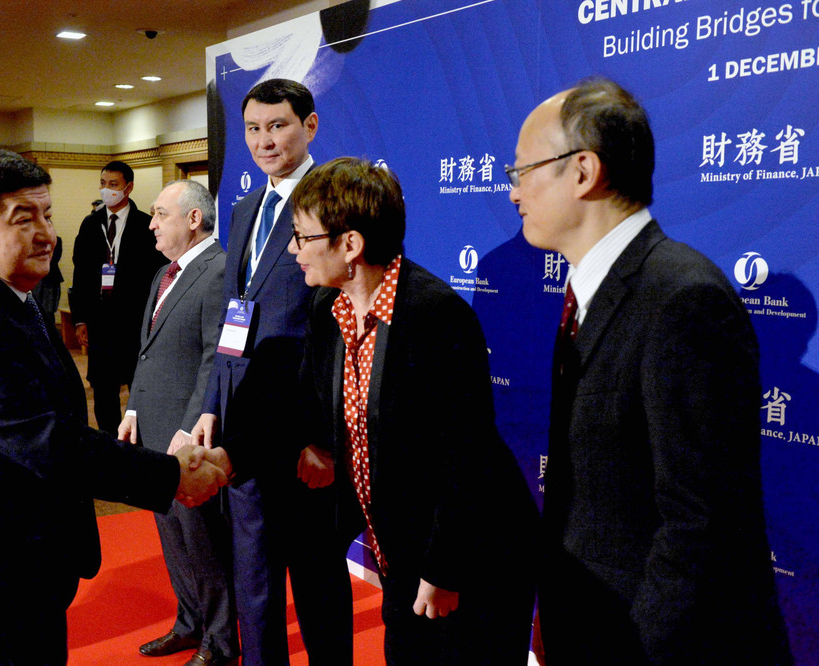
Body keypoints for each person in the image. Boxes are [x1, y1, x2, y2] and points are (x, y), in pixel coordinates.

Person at [0, 148, 230, 665]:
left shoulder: (7, 296)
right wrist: (172, 475)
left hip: (19, 556)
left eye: (47, 214)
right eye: (25, 219)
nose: (47, 234)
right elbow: (45, 440)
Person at [509, 77, 790, 664]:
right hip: (588, 623)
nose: (513, 191)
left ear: (583, 171)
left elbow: (698, 528)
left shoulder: (684, 299)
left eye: (523, 170)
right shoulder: (590, 293)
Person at [291, 157, 538, 664]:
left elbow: (466, 454)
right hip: (399, 551)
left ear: (350, 245)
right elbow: (327, 417)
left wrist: (445, 569)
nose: (294, 250)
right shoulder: (328, 308)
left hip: (470, 555)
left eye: (303, 237)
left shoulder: (435, 314)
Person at [190, 79, 353, 665]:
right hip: (243, 426)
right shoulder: (242, 210)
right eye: (253, 129)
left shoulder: (336, 202)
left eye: (277, 126)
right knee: (253, 578)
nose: (264, 141)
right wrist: (212, 404)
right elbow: (229, 318)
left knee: (316, 579)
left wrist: (323, 439)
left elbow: (342, 334)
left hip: (303, 433)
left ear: (309, 126)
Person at [118, 180, 237, 666]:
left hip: (188, 438)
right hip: (153, 428)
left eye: (160, 214)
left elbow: (215, 358)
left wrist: (189, 429)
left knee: (203, 544)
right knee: (172, 538)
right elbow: (148, 352)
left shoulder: (220, 270)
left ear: (193, 219)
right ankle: (190, 624)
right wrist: (133, 409)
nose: (151, 224)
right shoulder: (163, 273)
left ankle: (220, 642)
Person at [70, 160, 167, 433]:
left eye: (113, 184)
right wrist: (80, 319)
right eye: (103, 183)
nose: (106, 190)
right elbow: (80, 274)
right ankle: (110, 444)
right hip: (99, 322)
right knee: (103, 391)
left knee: (139, 387)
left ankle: (139, 442)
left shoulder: (146, 225)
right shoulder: (90, 224)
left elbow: (156, 275)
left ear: (128, 187)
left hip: (134, 321)